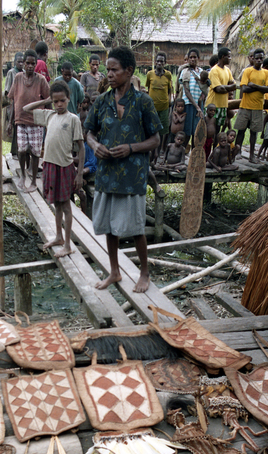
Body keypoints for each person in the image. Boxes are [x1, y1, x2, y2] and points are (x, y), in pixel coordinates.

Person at [85, 46, 161, 293]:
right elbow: (89, 132)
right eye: (108, 70)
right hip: (106, 174)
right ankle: (115, 271)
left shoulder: (143, 102)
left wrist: (131, 148)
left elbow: (156, 139)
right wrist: (95, 145)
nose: (109, 74)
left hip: (133, 175)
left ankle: (144, 273)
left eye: (114, 70)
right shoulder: (103, 101)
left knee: (136, 227)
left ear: (129, 71)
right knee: (108, 226)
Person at [24, 80, 84, 257]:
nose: (59, 104)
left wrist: (79, 173)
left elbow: (81, 148)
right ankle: (58, 236)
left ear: (68, 99)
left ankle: (67, 244)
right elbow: (26, 109)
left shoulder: (73, 119)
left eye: (62, 101)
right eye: (55, 101)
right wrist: (45, 101)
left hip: (65, 167)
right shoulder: (49, 115)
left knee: (66, 205)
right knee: (56, 204)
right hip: (49, 164)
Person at [8, 48, 50, 193]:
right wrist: (10, 121)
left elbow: (48, 99)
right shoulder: (18, 77)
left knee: (35, 152)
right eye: (28, 63)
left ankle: (32, 180)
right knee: (21, 149)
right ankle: (23, 175)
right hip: (20, 120)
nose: (30, 66)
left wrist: (48, 119)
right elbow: (14, 100)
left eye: (33, 63)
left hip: (36, 121)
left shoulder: (41, 79)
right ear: (24, 64)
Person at [234, 48, 268, 163]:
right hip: (245, 106)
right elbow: (244, 88)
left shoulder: (266, 73)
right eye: (257, 58)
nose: (259, 60)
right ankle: (237, 153)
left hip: (258, 107)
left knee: (254, 133)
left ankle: (251, 156)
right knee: (241, 130)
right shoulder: (248, 71)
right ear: (253, 59)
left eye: (261, 58)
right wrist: (261, 88)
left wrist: (254, 86)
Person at [146, 51, 172, 159]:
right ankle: (152, 150)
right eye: (157, 61)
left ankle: (160, 149)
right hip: (152, 108)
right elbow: (148, 89)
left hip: (164, 107)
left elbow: (170, 90)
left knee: (163, 130)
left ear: (165, 63)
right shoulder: (150, 74)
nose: (159, 63)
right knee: (152, 129)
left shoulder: (168, 75)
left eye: (161, 61)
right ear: (155, 62)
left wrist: (170, 100)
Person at [205, 48, 236, 135]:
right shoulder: (214, 70)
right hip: (213, 105)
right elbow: (218, 89)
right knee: (208, 131)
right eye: (229, 56)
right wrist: (229, 87)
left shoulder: (227, 70)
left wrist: (226, 87)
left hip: (223, 105)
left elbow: (233, 84)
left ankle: (214, 148)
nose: (230, 58)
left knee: (217, 131)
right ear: (223, 57)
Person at [179, 48, 204, 147]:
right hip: (189, 105)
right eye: (190, 57)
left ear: (198, 58)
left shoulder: (201, 72)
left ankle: (193, 155)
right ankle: (182, 154)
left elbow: (205, 87)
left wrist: (202, 97)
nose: (192, 59)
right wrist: (197, 106)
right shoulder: (185, 72)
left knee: (196, 131)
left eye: (194, 57)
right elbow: (187, 91)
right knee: (187, 131)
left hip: (199, 104)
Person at [4, 52, 24, 159]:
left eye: (22, 62)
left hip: (22, 104)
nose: (21, 64)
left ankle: (18, 151)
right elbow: (8, 91)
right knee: (14, 127)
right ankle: (14, 152)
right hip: (13, 103)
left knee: (20, 128)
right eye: (19, 62)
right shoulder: (12, 73)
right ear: (15, 62)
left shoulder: (24, 73)